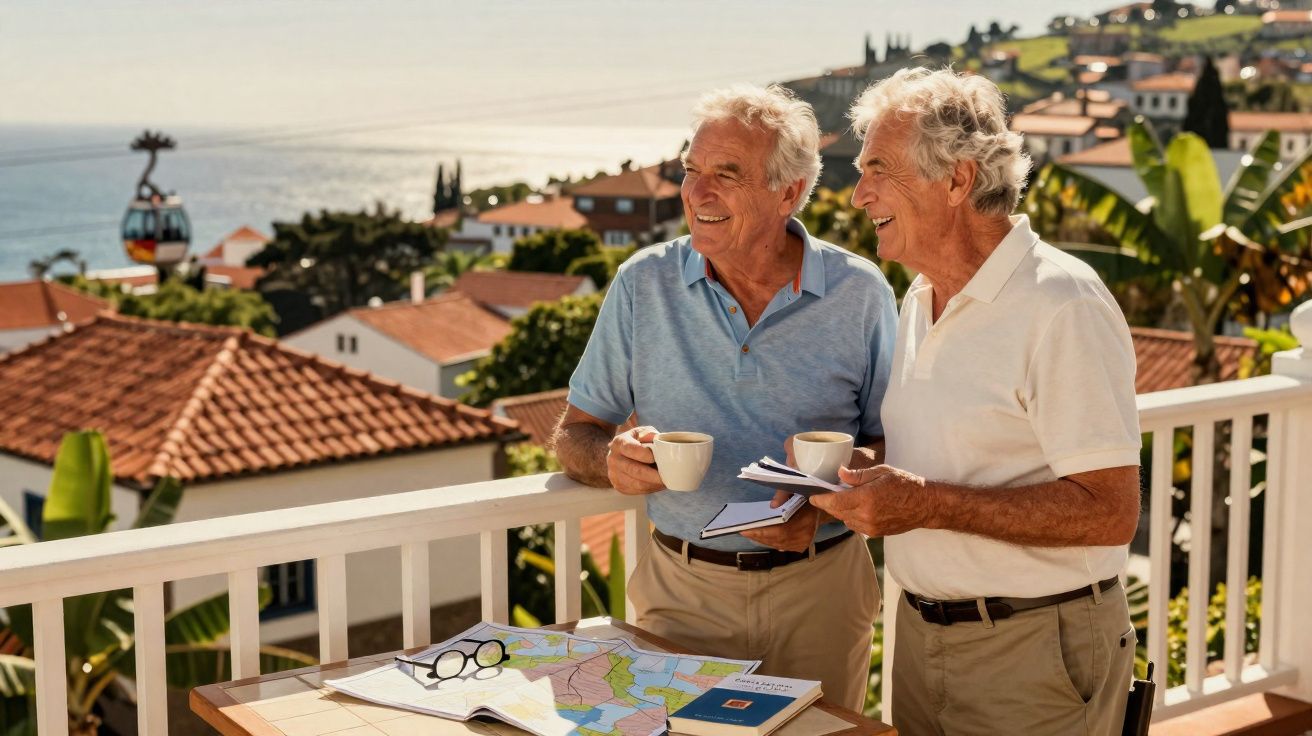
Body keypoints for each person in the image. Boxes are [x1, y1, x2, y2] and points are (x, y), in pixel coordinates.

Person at [809, 67, 1142, 735]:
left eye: (877, 169)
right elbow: (938, 450)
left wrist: (925, 501)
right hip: (921, 638)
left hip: (1034, 651)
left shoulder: (1060, 304)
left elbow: (1110, 512)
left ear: (958, 180)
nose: (858, 194)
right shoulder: (919, 297)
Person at [552, 84, 898, 711]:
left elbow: (890, 440)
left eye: (726, 175)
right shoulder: (642, 284)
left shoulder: (860, 292)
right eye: (691, 171)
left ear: (789, 191)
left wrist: (826, 506)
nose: (697, 192)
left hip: (822, 589)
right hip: (680, 595)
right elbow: (576, 433)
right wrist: (610, 462)